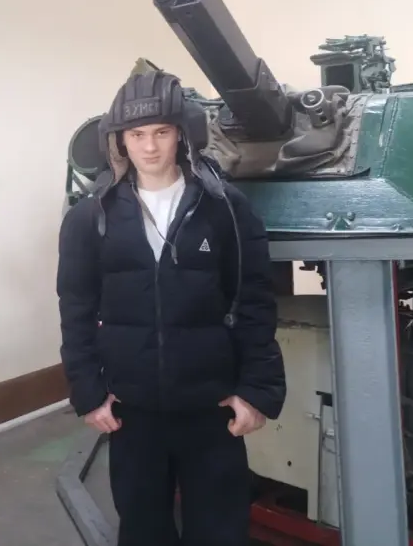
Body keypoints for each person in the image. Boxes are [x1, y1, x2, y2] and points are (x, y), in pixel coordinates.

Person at [57, 69, 286, 545]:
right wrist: (88, 392)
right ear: (119, 139)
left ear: (181, 133)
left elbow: (255, 301)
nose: (149, 147)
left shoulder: (225, 208)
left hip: (211, 405)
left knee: (220, 530)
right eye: (137, 134)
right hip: (132, 409)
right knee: (143, 528)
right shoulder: (90, 218)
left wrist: (257, 390)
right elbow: (75, 310)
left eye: (161, 132)